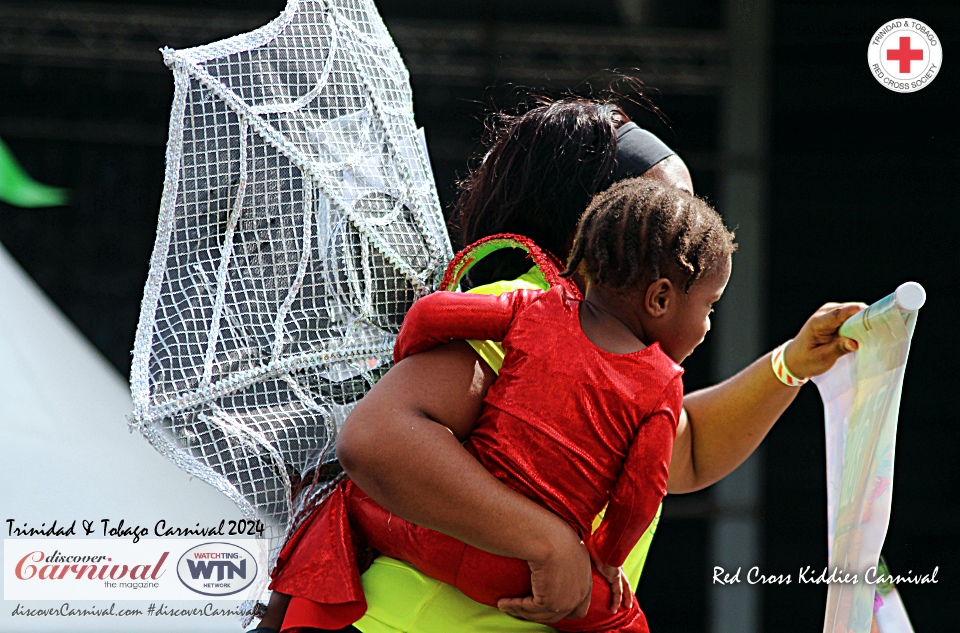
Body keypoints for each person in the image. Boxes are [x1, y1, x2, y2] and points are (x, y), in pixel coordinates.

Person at [254, 98, 862, 633]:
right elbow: (379, 438)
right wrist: (547, 542)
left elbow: (692, 450)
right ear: (602, 223)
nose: (693, 229)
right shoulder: (519, 306)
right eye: (669, 209)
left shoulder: (625, 362)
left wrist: (791, 363)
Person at [273, 177, 736, 632]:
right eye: (710, 307)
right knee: (622, 617)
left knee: (341, 501)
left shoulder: (534, 308)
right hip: (524, 578)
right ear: (659, 298)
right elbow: (639, 497)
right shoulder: (661, 384)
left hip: (434, 537)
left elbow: (428, 313)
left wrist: (408, 353)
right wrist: (600, 559)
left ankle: (275, 619)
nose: (709, 325)